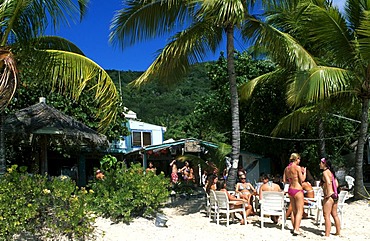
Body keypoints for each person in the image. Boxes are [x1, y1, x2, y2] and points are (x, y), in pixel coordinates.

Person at [283, 153, 306, 236]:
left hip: (290, 189)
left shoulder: (287, 168)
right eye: (299, 159)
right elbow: (302, 179)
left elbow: (284, 180)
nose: (299, 161)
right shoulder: (297, 167)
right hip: (298, 189)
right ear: (297, 159)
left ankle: (294, 227)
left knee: (294, 211)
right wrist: (304, 172)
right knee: (300, 210)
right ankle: (297, 229)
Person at [320, 157, 341, 237]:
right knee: (335, 214)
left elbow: (328, 183)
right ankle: (338, 232)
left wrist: (328, 194)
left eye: (320, 163)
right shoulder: (331, 172)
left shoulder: (325, 172)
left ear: (324, 164)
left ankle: (327, 234)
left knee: (326, 215)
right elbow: (336, 184)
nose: (319, 164)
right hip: (335, 195)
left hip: (329, 196)